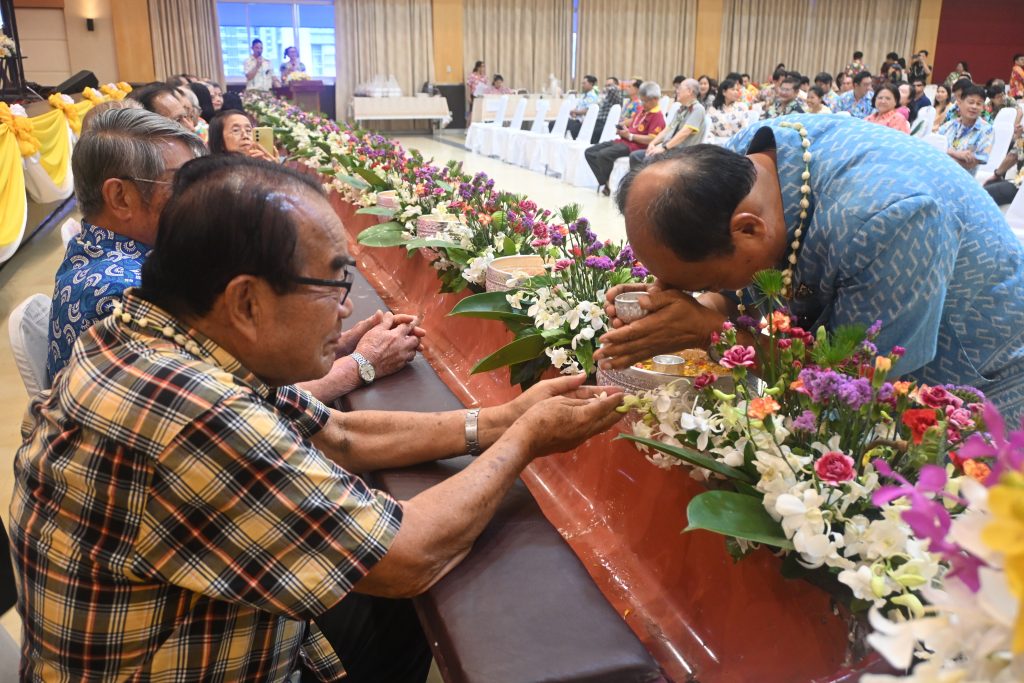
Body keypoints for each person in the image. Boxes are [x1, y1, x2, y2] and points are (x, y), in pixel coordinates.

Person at [13, 155, 625, 682]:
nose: (344, 308)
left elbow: (338, 433)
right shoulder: (192, 411)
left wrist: (499, 418)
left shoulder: (150, 334)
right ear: (246, 302)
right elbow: (406, 556)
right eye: (333, 284)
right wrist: (525, 440)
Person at [594, 116, 1024, 421]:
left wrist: (710, 332)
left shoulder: (888, 221)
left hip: (980, 377)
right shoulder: (749, 160)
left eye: (704, 281)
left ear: (747, 229)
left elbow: (851, 382)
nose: (674, 290)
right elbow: (733, 290)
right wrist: (698, 302)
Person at [46, 109, 208, 383]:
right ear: (120, 197)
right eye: (181, 183)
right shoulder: (124, 297)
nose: (199, 197)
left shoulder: (91, 243)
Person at [585, 80, 665, 196]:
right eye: (642, 100)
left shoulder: (658, 116)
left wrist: (631, 136)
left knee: (603, 155)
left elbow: (652, 139)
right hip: (622, 140)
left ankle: (607, 185)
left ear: (655, 99)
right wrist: (622, 126)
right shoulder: (643, 110)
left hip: (635, 146)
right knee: (590, 152)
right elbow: (633, 121)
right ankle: (606, 182)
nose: (642, 104)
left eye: (645, 101)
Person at [630, 78, 704, 170]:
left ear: (689, 91)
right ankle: (636, 183)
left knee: (647, 159)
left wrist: (664, 148)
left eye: (680, 89)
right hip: (670, 150)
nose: (677, 91)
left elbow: (684, 133)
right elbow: (668, 129)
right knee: (635, 156)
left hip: (683, 153)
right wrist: (652, 143)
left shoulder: (698, 109)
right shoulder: (681, 109)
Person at [939, 84, 994, 174]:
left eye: (979, 104)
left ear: (982, 107)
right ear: (960, 103)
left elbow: (971, 164)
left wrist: (945, 153)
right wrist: (956, 154)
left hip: (962, 179)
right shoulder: (948, 126)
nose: (974, 107)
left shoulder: (987, 130)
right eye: (971, 102)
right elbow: (933, 146)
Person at [208, 109, 278, 162]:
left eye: (248, 130)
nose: (245, 136)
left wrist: (274, 170)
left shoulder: (262, 164)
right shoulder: (216, 174)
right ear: (220, 141)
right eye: (236, 130)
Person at [563, 74, 599, 139]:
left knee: (558, 124)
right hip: (576, 119)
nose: (582, 85)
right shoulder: (583, 95)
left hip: (582, 122)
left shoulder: (593, 96)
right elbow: (578, 107)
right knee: (555, 123)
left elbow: (587, 111)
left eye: (584, 83)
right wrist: (574, 112)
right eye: (582, 83)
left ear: (591, 84)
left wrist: (575, 112)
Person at [592, 76, 623, 144]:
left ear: (617, 86)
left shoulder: (616, 94)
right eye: (606, 85)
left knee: (593, 133)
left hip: (606, 123)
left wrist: (606, 88)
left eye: (609, 85)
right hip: (598, 121)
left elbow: (613, 90)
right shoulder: (606, 95)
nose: (607, 87)